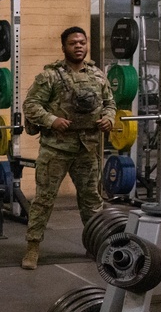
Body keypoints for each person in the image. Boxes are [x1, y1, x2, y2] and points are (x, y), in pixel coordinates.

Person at [21, 26, 116, 270]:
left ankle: (96, 245)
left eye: (82, 42)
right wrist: (52, 120)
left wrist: (109, 118)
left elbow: (109, 103)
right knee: (44, 200)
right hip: (56, 149)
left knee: (92, 201)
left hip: (87, 148)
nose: (79, 46)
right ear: (64, 47)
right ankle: (32, 248)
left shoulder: (98, 75)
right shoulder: (50, 76)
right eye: (73, 43)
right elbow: (31, 105)